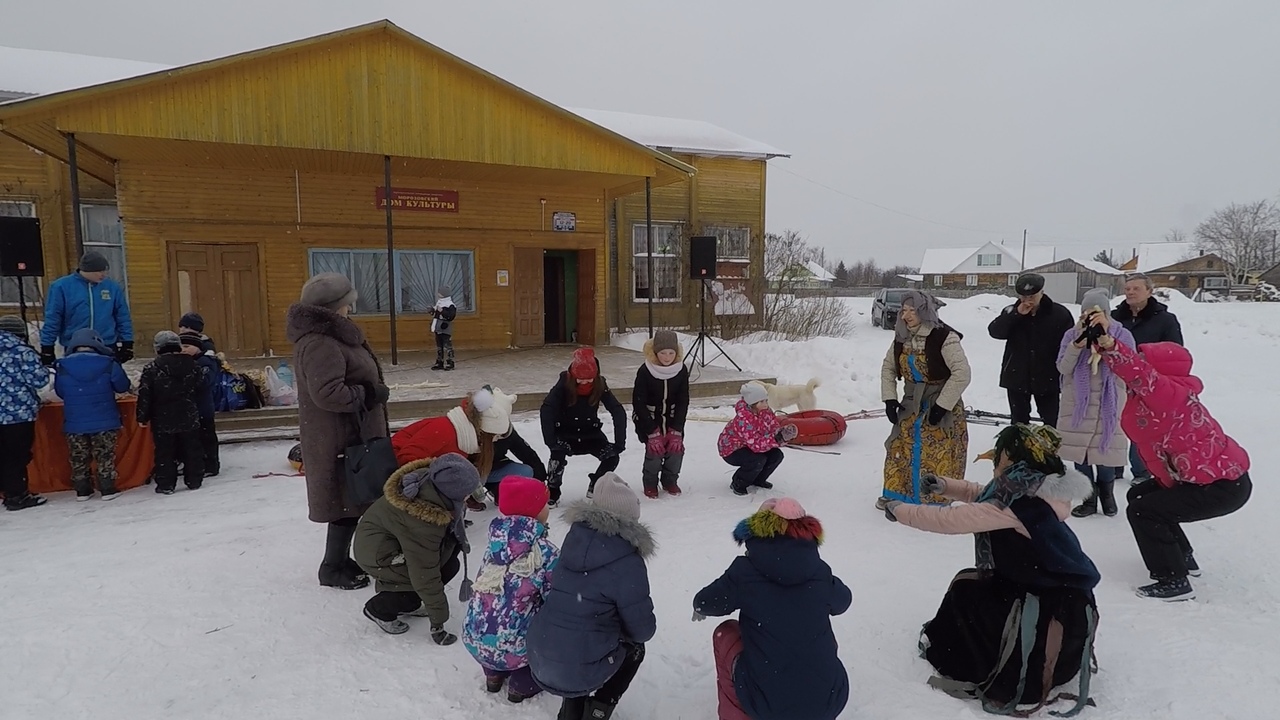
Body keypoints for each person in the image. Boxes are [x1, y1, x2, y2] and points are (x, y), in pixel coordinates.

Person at [886, 424, 1100, 716]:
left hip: (1040, 598)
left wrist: (899, 510)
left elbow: (954, 520)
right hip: (1047, 585)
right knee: (967, 585)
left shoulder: (1019, 505)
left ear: (1017, 461)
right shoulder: (1033, 486)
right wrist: (947, 486)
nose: (998, 461)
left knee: (969, 596)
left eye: (1003, 456)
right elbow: (986, 496)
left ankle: (969, 662)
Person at [1097, 335, 1250, 601]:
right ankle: (1182, 557)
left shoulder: (1168, 393)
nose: (1140, 365)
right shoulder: (1163, 395)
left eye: (1146, 361)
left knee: (1144, 511)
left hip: (1221, 486)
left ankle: (1173, 580)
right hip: (1206, 480)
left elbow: (1136, 371)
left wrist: (1111, 346)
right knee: (1140, 496)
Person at [693, 497, 852, 720]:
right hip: (829, 701)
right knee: (818, 631)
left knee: (725, 632)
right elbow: (843, 602)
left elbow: (705, 602)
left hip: (765, 704)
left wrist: (700, 607)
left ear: (758, 529)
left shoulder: (744, 572)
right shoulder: (819, 572)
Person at [287, 272, 390, 591]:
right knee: (344, 504)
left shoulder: (333, 336)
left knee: (351, 502)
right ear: (334, 307)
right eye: (347, 303)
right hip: (338, 438)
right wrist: (368, 395)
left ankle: (342, 562)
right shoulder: (320, 342)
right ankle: (332, 567)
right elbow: (327, 393)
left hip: (352, 434)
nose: (351, 308)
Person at [527, 473, 656, 720]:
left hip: (541, 652)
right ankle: (598, 710)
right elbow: (643, 630)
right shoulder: (628, 561)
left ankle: (571, 709)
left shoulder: (573, 540)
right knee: (635, 649)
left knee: (577, 640)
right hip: (573, 663)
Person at [353, 454, 480, 642]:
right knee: (419, 584)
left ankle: (405, 597)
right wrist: (438, 624)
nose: (469, 497)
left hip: (391, 544)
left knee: (449, 563)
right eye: (466, 493)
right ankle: (380, 609)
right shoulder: (422, 519)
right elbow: (425, 572)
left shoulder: (433, 486)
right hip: (380, 556)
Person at [463, 476, 560, 704]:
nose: (548, 508)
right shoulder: (544, 553)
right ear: (534, 512)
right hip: (515, 649)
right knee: (550, 625)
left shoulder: (495, 545)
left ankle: (493, 675)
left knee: (497, 612)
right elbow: (555, 599)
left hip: (474, 639)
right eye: (544, 504)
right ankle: (521, 685)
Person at [880, 290, 971, 511]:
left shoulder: (944, 336)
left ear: (925, 311)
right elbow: (888, 368)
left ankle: (934, 497)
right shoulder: (902, 336)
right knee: (899, 446)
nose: (906, 316)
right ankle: (898, 493)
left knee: (935, 448)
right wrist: (890, 399)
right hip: (911, 403)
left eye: (913, 310)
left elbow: (962, 373)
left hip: (940, 402)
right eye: (904, 310)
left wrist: (942, 406)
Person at [1056, 289, 1135, 518]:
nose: (1089, 317)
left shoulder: (1122, 334)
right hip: (1078, 402)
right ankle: (1088, 499)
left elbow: (1128, 366)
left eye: (1095, 312)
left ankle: (1107, 496)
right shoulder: (1072, 334)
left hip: (1108, 402)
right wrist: (1076, 345)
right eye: (1085, 312)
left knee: (1105, 452)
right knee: (1079, 452)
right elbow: (1063, 367)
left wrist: (1107, 341)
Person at [391, 386, 534, 510]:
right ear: (484, 431)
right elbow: (405, 458)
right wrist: (433, 482)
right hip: (391, 472)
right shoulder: (445, 430)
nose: (496, 440)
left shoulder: (464, 440)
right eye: (494, 436)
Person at [1109, 273, 1184, 484]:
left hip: (1149, 381)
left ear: (1149, 291)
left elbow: (1175, 352)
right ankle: (1114, 465)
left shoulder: (1164, 320)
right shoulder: (1115, 318)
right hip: (1118, 379)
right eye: (1127, 289)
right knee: (1115, 423)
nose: (1130, 292)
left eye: (1136, 288)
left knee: (1141, 426)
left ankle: (1141, 471)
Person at [540, 347, 627, 506]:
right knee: (556, 459)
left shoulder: (600, 384)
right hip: (565, 434)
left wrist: (619, 443)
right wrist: (551, 441)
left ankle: (596, 484)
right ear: (573, 374)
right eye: (580, 379)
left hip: (590, 434)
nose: (585, 382)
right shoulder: (564, 383)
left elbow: (617, 410)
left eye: (589, 379)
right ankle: (552, 491)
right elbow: (547, 409)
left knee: (612, 456)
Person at [54, 328, 132, 501]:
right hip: (105, 420)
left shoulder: (63, 366)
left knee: (78, 456)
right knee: (104, 455)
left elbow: (60, 392)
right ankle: (107, 488)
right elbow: (122, 386)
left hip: (75, 422)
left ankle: (82, 490)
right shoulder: (108, 363)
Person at [987, 273, 1074, 426]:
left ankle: (1053, 449)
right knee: (1019, 422)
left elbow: (1068, 344)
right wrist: (1016, 314)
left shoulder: (1059, 314)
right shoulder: (1011, 311)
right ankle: (1021, 449)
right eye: (1023, 296)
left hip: (1048, 377)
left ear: (1042, 292)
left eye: (1032, 296)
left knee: (1052, 420)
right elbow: (995, 332)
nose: (1027, 301)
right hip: (1016, 375)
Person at [137, 331, 207, 494]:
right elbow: (201, 387)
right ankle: (194, 479)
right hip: (188, 413)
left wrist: (142, 416)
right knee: (192, 448)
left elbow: (145, 394)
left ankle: (166, 483)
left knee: (164, 452)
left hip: (163, 416)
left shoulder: (152, 368)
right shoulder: (192, 365)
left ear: (158, 348)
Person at [39, 251, 134, 367]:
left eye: (105, 271)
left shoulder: (112, 287)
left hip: (106, 344)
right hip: (74, 346)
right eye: (99, 271)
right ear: (86, 270)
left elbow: (122, 316)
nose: (103, 274)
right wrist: (47, 346)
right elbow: (53, 318)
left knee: (108, 379)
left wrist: (127, 343)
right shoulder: (61, 287)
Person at [631, 329, 690, 499]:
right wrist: (651, 430)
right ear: (655, 352)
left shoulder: (681, 370)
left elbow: (683, 400)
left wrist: (677, 429)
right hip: (649, 419)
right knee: (654, 452)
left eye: (671, 352)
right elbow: (638, 402)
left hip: (672, 419)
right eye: (663, 353)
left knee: (675, 451)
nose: (667, 357)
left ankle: (670, 480)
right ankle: (650, 483)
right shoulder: (645, 370)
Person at [0, 315, 49, 511]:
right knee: (17, 455)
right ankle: (17, 495)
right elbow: (40, 380)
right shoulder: (21, 351)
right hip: (18, 413)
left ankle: (7, 489)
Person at [718, 382, 797, 496]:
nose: (765, 404)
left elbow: (772, 426)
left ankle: (757, 479)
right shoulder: (743, 419)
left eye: (766, 400)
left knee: (776, 455)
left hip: (752, 445)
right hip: (732, 449)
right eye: (762, 401)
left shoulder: (765, 411)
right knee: (757, 460)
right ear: (752, 403)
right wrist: (776, 439)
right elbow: (755, 445)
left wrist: (781, 434)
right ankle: (739, 482)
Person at [180, 331, 222, 476]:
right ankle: (198, 463)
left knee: (207, 437)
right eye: (181, 346)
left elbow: (204, 382)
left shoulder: (206, 361)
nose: (183, 349)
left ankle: (211, 465)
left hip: (203, 408)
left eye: (187, 346)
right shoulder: (188, 361)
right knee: (194, 439)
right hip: (191, 409)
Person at [430, 286, 457, 371]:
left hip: (445, 327)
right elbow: (436, 315)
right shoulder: (439, 303)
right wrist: (432, 310)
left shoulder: (450, 305)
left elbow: (451, 316)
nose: (438, 294)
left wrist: (442, 311)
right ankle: (439, 362)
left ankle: (450, 362)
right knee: (439, 345)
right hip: (438, 326)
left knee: (447, 345)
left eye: (440, 293)